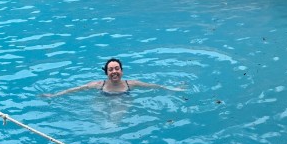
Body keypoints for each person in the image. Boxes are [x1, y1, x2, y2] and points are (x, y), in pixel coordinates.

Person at [41, 58, 184, 98]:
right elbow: (75, 90)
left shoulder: (131, 83)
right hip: (102, 98)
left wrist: (173, 89)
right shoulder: (97, 84)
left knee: (114, 120)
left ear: (122, 71)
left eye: (117, 69)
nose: (114, 72)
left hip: (123, 98)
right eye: (110, 69)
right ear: (106, 73)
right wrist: (54, 95)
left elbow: (154, 86)